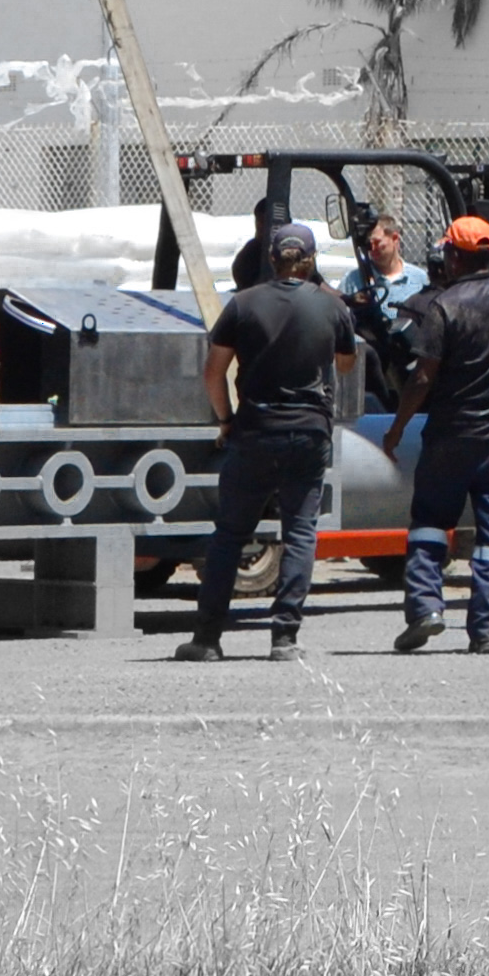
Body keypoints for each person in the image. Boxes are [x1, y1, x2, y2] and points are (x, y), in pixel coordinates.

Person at [179, 224, 357, 662]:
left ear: (273, 259)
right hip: (310, 432)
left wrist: (225, 419)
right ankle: (284, 638)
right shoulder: (332, 308)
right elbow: (346, 364)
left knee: (230, 534)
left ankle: (207, 639)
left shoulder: (243, 305)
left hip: (255, 430)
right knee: (300, 532)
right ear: (311, 261)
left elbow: (213, 371)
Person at [379, 213, 489, 655]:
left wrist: (396, 428)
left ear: (451, 255)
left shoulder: (443, 306)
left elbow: (422, 378)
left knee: (430, 524)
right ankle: (486, 633)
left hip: (450, 437)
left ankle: (426, 609)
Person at [344, 212, 429, 398]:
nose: (372, 248)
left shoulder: (419, 279)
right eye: (369, 244)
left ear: (395, 238)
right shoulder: (354, 280)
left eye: (377, 242)